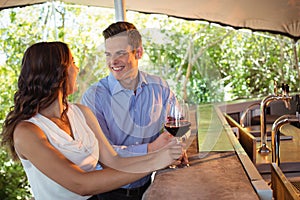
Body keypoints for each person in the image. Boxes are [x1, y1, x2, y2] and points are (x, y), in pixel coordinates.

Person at [0, 41, 184, 200]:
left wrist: (164, 155)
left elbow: (114, 160)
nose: (77, 69)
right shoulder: (27, 132)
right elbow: (81, 184)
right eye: (73, 62)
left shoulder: (81, 112)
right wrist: (157, 161)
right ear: (56, 73)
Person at [81, 21, 188, 200]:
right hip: (110, 192)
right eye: (108, 54)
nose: (112, 62)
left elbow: (179, 124)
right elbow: (103, 155)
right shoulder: (94, 97)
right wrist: (152, 148)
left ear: (138, 52)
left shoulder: (159, 86)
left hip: (148, 185)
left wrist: (175, 148)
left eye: (120, 54)